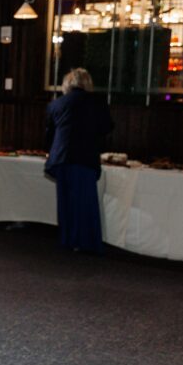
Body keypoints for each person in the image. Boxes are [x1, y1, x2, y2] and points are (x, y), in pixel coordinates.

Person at [44, 67, 114, 254]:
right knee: (85, 201)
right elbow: (106, 128)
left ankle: (68, 239)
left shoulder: (57, 104)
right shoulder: (98, 103)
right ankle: (86, 242)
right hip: (85, 157)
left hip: (61, 158)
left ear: (67, 84)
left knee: (66, 201)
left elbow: (49, 134)